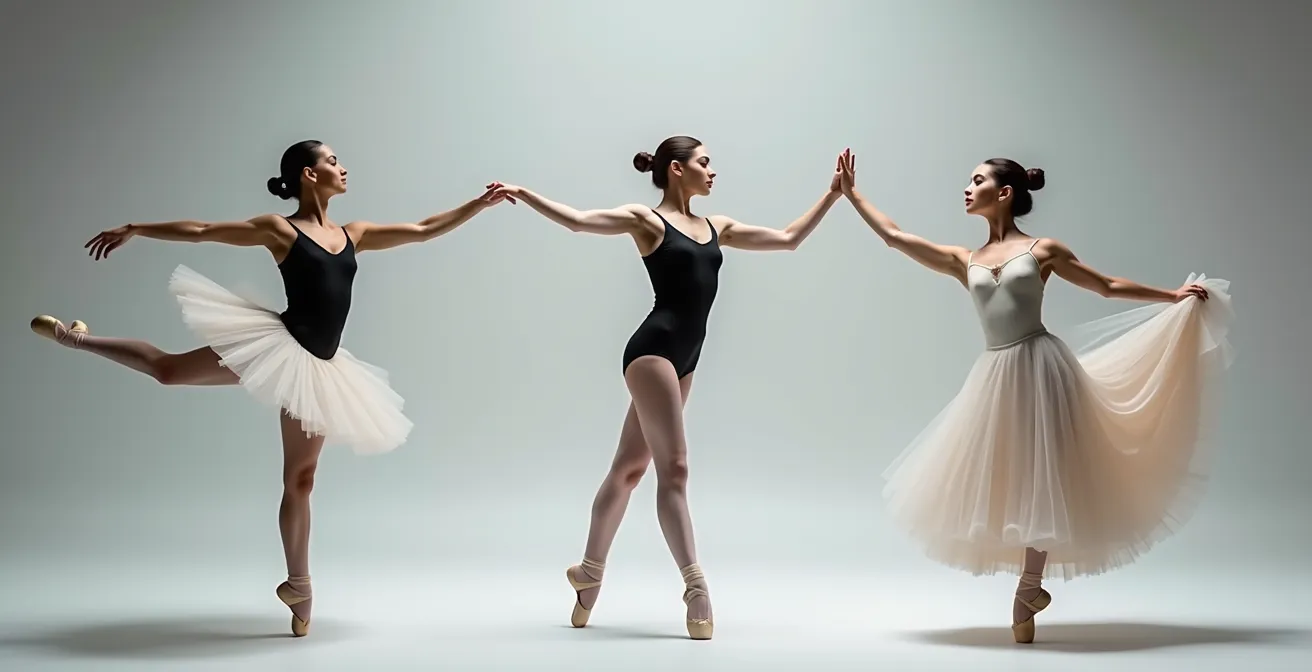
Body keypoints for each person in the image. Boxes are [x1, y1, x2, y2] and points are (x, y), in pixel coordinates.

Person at [29, 139, 510, 638]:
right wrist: (136, 228)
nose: (343, 168)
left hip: (321, 369)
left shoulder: (355, 234)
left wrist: (478, 204)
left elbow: (425, 229)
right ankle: (75, 338)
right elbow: (202, 231)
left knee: (301, 480)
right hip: (277, 347)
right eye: (333, 161)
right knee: (169, 371)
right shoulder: (279, 230)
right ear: (308, 174)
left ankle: (298, 586)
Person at [835, 149, 1234, 643]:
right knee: (1012, 473)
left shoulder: (1043, 251)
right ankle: (1028, 594)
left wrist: (1170, 296)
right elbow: (896, 237)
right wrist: (852, 195)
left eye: (976, 180)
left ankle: (1028, 587)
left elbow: (1106, 285)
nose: (967, 188)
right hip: (996, 373)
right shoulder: (964, 260)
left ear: (1004, 193)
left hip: (1041, 366)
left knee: (1045, 470)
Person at [488, 136, 845, 640]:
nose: (712, 171)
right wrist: (525, 193)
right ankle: (696, 587)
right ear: (677, 169)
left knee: (628, 469)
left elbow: (788, 238)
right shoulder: (647, 221)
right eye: (704, 162)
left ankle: (589, 571)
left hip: (686, 359)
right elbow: (579, 221)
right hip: (652, 351)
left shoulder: (717, 227)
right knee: (674, 468)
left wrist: (833, 194)